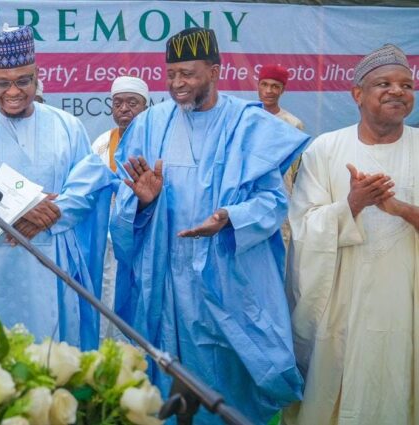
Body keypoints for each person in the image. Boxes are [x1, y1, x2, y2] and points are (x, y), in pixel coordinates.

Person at [111, 27, 309, 424]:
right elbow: (125, 199)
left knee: (228, 378)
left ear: (215, 71)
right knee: (167, 374)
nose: (177, 84)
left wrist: (229, 218)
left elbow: (272, 203)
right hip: (165, 277)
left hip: (225, 275)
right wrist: (143, 200)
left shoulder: (246, 125)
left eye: (188, 74)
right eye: (171, 75)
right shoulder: (151, 124)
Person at [0, 25, 115, 350]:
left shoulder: (66, 125)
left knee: (58, 359)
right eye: (3, 83)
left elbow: (90, 180)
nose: (13, 91)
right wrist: (23, 206)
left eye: (23, 81)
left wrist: (57, 210)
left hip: (56, 259)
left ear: (36, 77)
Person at [284, 44, 417, 425]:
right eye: (384, 83)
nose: (397, 91)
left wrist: (402, 210)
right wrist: (352, 205)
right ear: (357, 94)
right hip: (341, 305)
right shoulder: (325, 149)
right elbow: (304, 226)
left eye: (406, 85)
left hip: (407, 305)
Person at [91, 75, 149, 340]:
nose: (124, 109)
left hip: (142, 235)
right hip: (106, 239)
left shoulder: (155, 139)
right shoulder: (101, 142)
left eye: (132, 103)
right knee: (106, 292)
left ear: (146, 106)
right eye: (118, 103)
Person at [257, 64, 306, 248]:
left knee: (281, 243)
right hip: (251, 193)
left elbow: (295, 169)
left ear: (283, 90)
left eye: (275, 86)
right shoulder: (247, 118)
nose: (269, 91)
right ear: (258, 86)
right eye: (264, 84)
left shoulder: (293, 124)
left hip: (281, 192)